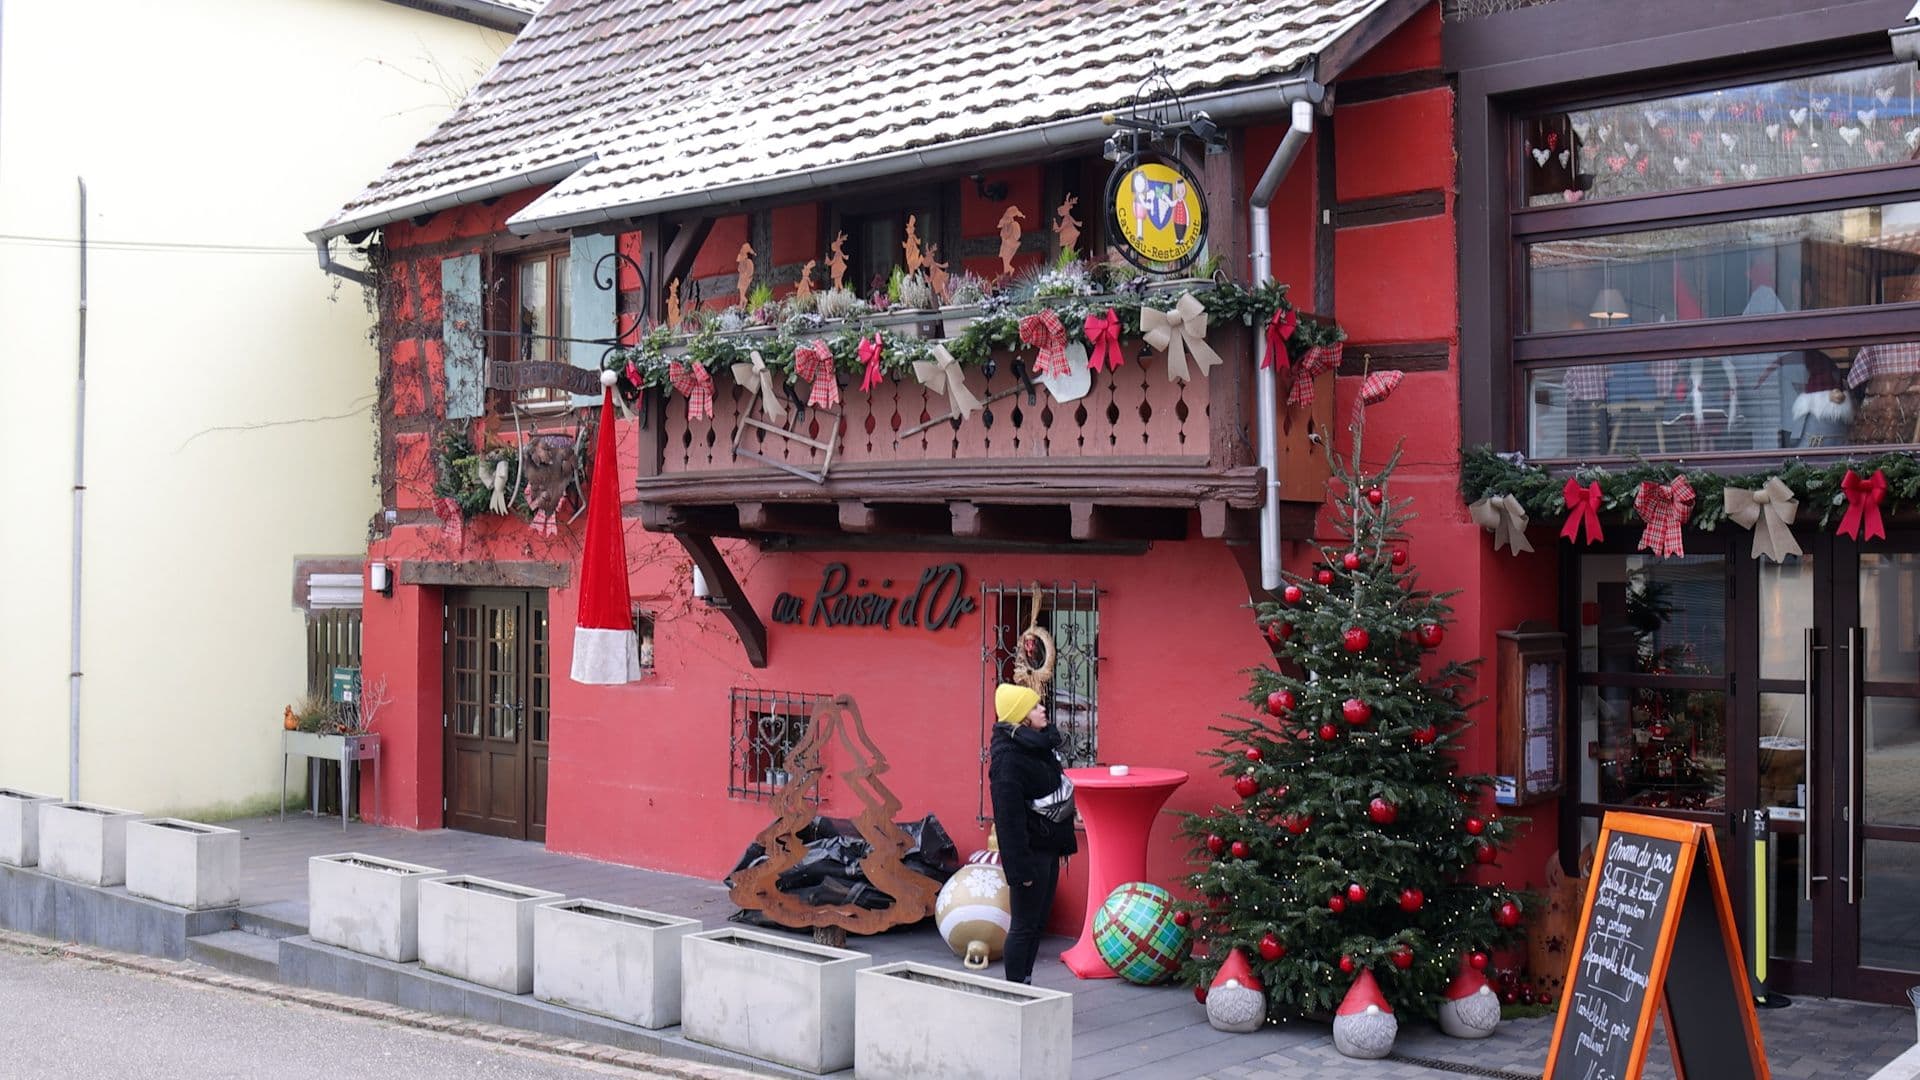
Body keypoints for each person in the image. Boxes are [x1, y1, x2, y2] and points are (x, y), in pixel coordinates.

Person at [988, 682, 1077, 984]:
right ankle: (1014, 989)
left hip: (1048, 847)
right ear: (1022, 716)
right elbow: (1008, 820)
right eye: (1036, 706)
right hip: (1029, 853)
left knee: (1038, 923)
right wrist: (1020, 869)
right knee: (1024, 925)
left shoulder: (1038, 747)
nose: (1043, 709)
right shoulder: (1008, 759)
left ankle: (1026, 981)